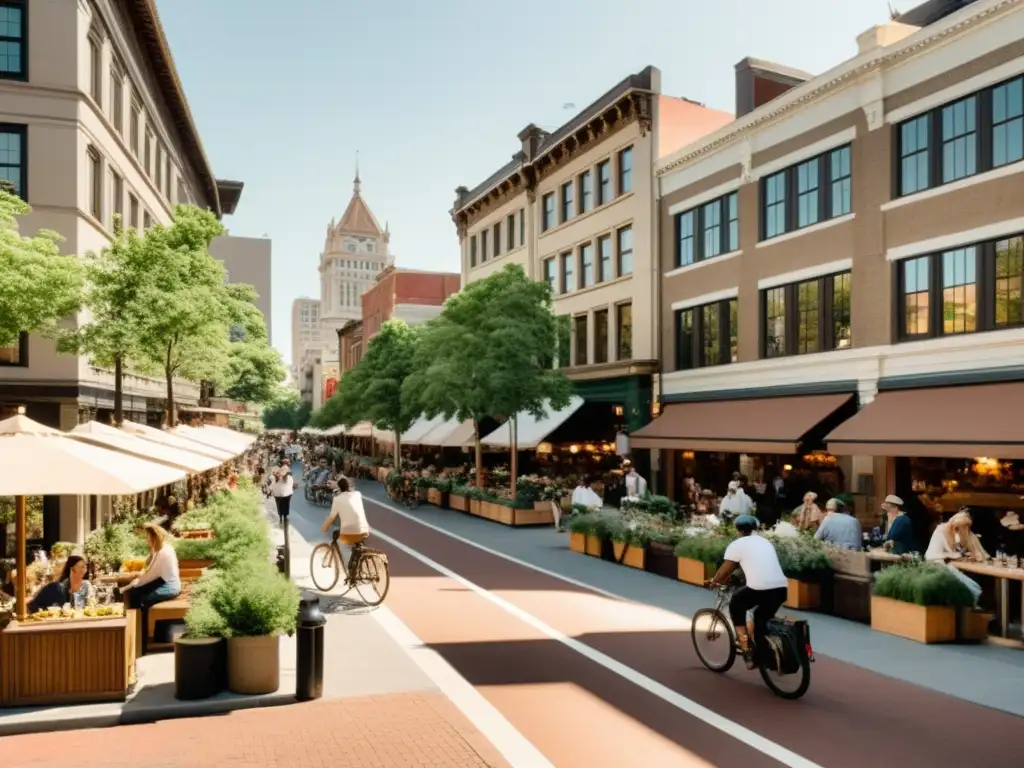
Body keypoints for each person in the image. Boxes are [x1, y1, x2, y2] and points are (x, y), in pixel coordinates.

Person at [709, 515, 788, 669]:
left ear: (737, 530)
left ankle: (747, 650)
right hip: (781, 588)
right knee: (761, 618)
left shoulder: (737, 544)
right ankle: (763, 648)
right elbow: (758, 564)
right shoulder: (765, 542)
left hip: (759, 588)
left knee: (736, 605)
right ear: (755, 528)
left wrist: (714, 581)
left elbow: (726, 569)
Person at [925, 509, 987, 605]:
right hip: (939, 567)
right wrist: (951, 555)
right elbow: (931, 555)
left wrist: (969, 555)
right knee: (969, 586)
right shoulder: (941, 531)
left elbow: (977, 552)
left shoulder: (964, 532)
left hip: (953, 567)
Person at [320, 476, 370, 582]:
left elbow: (332, 517)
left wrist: (324, 528)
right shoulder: (358, 494)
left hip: (349, 532)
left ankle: (349, 569)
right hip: (365, 529)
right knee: (357, 545)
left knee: (340, 540)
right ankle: (356, 570)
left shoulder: (337, 499)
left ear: (339, 488)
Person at [123, 523, 181, 612]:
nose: (146, 540)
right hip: (167, 583)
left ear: (154, 537)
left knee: (141, 597)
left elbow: (150, 575)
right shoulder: (164, 548)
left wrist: (132, 585)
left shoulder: (163, 552)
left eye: (147, 537)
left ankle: (141, 624)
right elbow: (149, 568)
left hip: (169, 587)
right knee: (136, 591)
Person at [271, 459, 294, 525]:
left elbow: (272, 484)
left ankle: (281, 518)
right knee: (286, 504)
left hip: (277, 494)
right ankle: (285, 517)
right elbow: (290, 483)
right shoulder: (287, 471)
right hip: (286, 494)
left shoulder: (276, 472)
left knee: (279, 505)